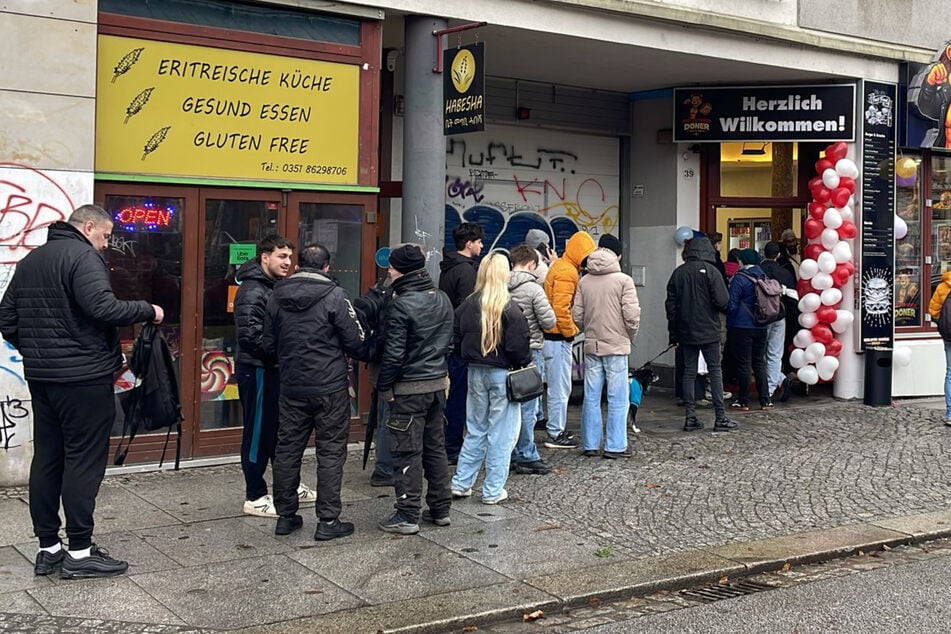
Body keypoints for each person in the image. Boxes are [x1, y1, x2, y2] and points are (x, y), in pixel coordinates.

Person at [0, 204, 164, 579]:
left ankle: (48, 548)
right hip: (84, 379)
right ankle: (79, 551)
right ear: (88, 227)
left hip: (43, 378)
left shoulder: (32, 260)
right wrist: (147, 309)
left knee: (48, 458)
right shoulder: (84, 258)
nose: (106, 244)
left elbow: (6, 318)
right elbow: (102, 307)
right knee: (84, 461)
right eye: (105, 236)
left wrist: (40, 351)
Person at [261, 244, 365, 540]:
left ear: (297, 265)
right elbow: (355, 339)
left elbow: (268, 342)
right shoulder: (335, 295)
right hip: (329, 385)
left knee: (287, 449)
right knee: (331, 451)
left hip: (292, 384)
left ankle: (286, 516)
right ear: (327, 268)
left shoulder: (276, 295)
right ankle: (328, 521)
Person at [233, 235, 317, 518]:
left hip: (274, 369)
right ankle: (255, 495)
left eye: (290, 258)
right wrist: (286, 349)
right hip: (257, 369)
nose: (288, 263)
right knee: (258, 433)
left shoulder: (272, 287)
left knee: (279, 432)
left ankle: (288, 486)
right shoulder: (253, 290)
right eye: (282, 257)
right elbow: (251, 337)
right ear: (264, 257)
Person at [373, 245, 455, 534]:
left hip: (409, 388)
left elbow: (394, 353)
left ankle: (408, 514)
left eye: (392, 267)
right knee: (435, 448)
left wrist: (385, 386)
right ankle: (440, 508)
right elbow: (449, 342)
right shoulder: (442, 298)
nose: (389, 271)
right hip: (435, 384)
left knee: (406, 451)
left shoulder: (400, 304)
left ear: (403, 270)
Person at [450, 253, 532, 504]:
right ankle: (492, 490)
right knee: (501, 435)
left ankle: (462, 482)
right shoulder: (509, 307)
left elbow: (454, 339)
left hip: (475, 371)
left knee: (475, 430)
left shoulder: (467, 305)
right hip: (502, 374)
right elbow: (519, 349)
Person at [572, 241, 640, 458]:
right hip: (617, 345)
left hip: (593, 344)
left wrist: (588, 330)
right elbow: (631, 315)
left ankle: (590, 444)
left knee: (591, 396)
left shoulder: (584, 281)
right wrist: (630, 335)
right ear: (617, 257)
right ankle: (615, 445)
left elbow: (577, 315)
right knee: (618, 396)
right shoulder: (624, 281)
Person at [665, 235, 736, 432]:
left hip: (686, 330)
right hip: (709, 330)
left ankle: (690, 416)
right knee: (715, 371)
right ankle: (720, 417)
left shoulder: (678, 274)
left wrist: (674, 335)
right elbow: (723, 301)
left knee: (688, 372)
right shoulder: (712, 272)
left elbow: (671, 307)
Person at [542, 230, 596, 448]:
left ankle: (556, 430)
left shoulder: (563, 267)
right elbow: (561, 309)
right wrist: (571, 331)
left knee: (557, 387)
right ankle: (556, 433)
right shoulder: (568, 272)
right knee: (560, 387)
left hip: (552, 337)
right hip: (557, 339)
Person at [507, 245, 555, 475]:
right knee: (529, 405)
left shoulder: (500, 286)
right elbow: (549, 321)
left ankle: (511, 451)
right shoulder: (534, 289)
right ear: (532, 265)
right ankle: (526, 453)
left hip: (505, 352)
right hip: (531, 350)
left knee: (508, 405)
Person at [439, 222, 484, 463]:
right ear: (469, 244)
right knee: (460, 395)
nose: (482, 246)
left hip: (451, 338)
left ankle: (450, 442)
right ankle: (452, 446)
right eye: (478, 242)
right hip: (463, 342)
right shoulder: (466, 271)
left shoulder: (448, 267)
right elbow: (470, 308)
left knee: (456, 393)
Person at [726, 248, 772, 412]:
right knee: (759, 363)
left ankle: (743, 400)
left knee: (744, 364)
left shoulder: (739, 279)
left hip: (741, 325)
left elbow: (731, 304)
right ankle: (765, 400)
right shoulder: (764, 276)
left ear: (742, 261)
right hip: (761, 325)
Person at [759, 241, 796, 403]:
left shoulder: (758, 271)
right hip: (780, 316)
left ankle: (771, 387)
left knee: (760, 353)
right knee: (775, 353)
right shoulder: (785, 273)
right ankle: (776, 383)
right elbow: (794, 298)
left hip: (761, 316)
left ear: (763, 253)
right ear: (779, 255)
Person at [928, 270, 951, 426]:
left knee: (950, 373)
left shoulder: (943, 286)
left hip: (949, 335)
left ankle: (950, 414)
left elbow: (933, 311)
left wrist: (943, 324)